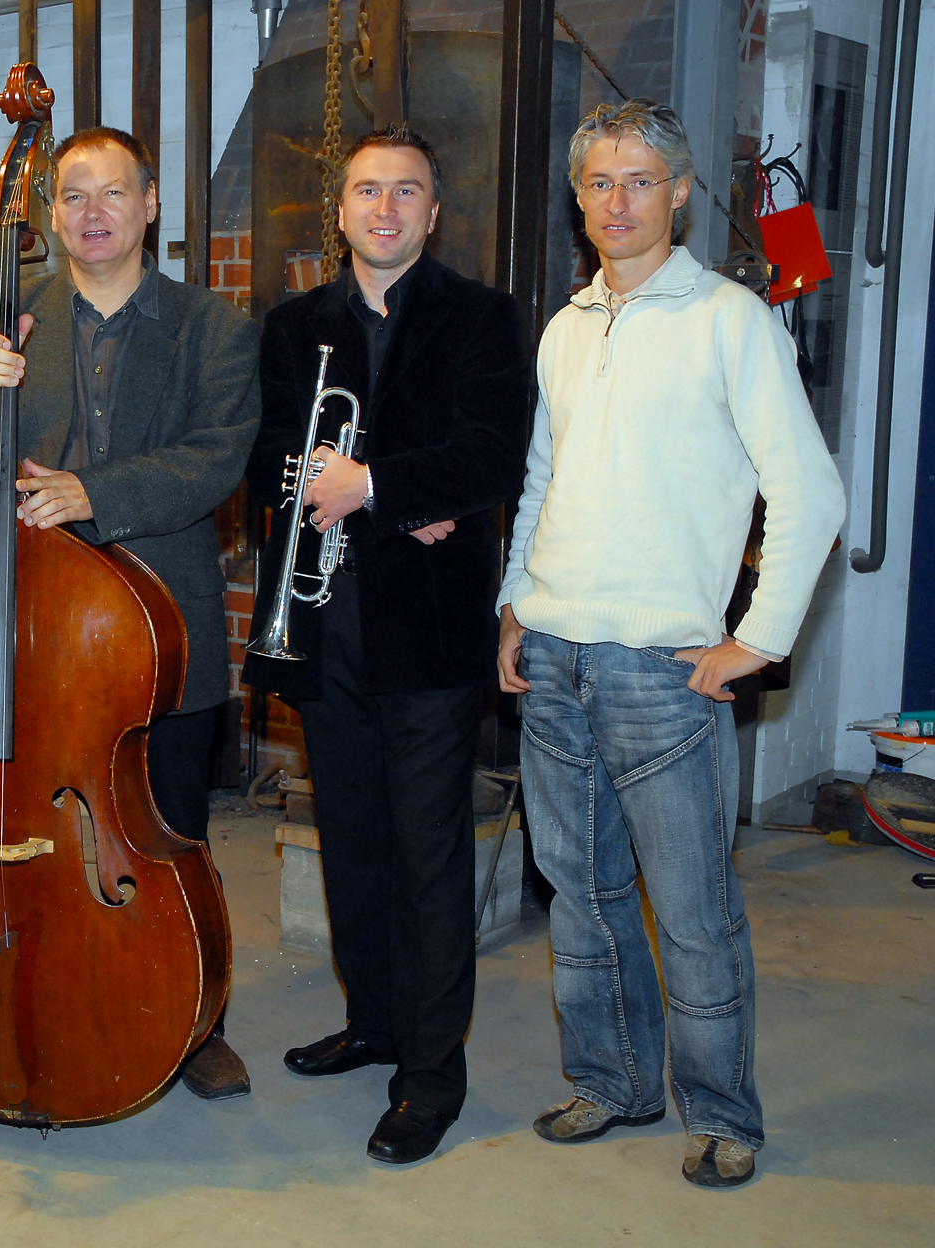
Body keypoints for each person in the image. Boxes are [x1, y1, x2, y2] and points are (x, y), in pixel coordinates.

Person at [497, 99, 844, 1189]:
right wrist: (515, 604)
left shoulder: (731, 320)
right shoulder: (566, 328)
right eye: (598, 182)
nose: (617, 201)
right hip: (555, 660)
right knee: (583, 901)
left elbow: (811, 492)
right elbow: (541, 482)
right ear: (578, 198)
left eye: (639, 180)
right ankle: (612, 1083)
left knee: (693, 916)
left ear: (680, 193)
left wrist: (757, 639)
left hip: (664, 673)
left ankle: (722, 1114)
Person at [0, 125, 260, 1100]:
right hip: (36, 627)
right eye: (73, 194)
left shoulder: (212, 325)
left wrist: (94, 492)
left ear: (150, 204)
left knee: (169, 834)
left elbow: (217, 457)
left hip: (161, 624)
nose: (92, 212)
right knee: (46, 832)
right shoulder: (6, 318)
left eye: (113, 192)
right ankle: (52, 995)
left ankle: (195, 1022)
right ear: (49, 213)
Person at [241, 125, 529, 1164]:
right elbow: (271, 459)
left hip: (430, 633)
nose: (385, 208)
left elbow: (492, 452)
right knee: (352, 839)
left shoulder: (482, 317)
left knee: (428, 852)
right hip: (324, 624)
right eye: (367, 190)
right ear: (342, 210)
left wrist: (377, 486)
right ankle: (372, 1022)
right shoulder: (292, 326)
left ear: (433, 212)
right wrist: (394, 499)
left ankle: (431, 1074)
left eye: (406, 191)